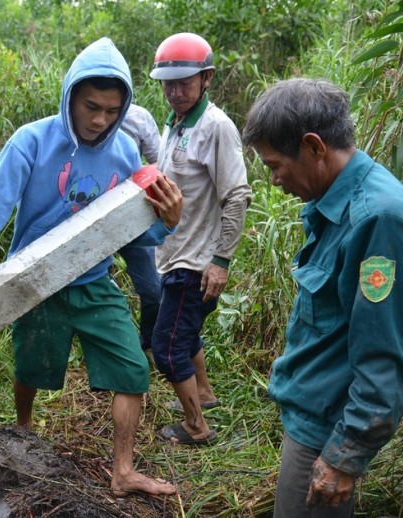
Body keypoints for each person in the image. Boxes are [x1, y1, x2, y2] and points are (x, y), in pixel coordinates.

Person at [0, 37, 183, 497]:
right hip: (34, 285)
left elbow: (134, 232)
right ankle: (24, 434)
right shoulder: (31, 142)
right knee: (31, 368)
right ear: (70, 96)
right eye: (91, 106)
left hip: (94, 281)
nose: (100, 119)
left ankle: (123, 471)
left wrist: (168, 223)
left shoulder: (123, 152)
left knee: (132, 371)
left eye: (111, 110)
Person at [241, 78, 403, 516]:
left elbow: (384, 352)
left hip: (328, 431)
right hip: (312, 418)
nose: (274, 180)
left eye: (275, 165)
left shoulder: (379, 219)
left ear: (314, 147)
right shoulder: (334, 202)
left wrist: (345, 455)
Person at [148, 33, 251, 446]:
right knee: (183, 333)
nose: (174, 92)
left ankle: (196, 427)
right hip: (172, 252)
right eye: (168, 84)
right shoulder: (175, 123)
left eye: (184, 83)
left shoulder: (216, 127)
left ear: (206, 78)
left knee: (167, 348)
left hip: (196, 262)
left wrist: (221, 260)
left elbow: (237, 195)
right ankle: (203, 394)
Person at [117, 103, 162, 353]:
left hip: (133, 218)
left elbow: (158, 162)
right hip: (89, 219)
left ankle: (149, 344)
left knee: (153, 289)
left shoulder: (138, 117)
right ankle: (110, 349)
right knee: (100, 288)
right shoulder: (81, 117)